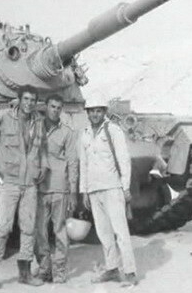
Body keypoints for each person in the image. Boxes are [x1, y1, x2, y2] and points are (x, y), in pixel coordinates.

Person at [0, 85, 48, 289]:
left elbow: (42, 146)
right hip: (9, 182)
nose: (29, 103)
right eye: (25, 99)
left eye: (32, 100)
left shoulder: (38, 120)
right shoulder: (3, 117)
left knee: (28, 228)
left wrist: (44, 164)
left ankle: (25, 272)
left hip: (30, 184)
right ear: (19, 100)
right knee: (3, 227)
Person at [78, 95, 137, 287]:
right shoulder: (85, 133)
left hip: (112, 188)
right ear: (87, 113)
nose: (95, 114)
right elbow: (84, 164)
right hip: (94, 189)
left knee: (120, 231)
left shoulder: (113, 130)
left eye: (98, 111)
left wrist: (125, 187)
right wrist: (84, 191)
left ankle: (129, 272)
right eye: (91, 111)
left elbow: (123, 159)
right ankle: (112, 268)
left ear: (104, 112)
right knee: (103, 232)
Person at [34, 94, 78, 283]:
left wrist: (73, 190)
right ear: (46, 106)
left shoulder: (67, 132)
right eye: (52, 106)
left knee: (59, 230)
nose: (55, 110)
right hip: (38, 186)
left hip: (60, 187)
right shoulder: (35, 128)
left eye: (59, 107)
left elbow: (72, 162)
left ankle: (59, 270)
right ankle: (45, 267)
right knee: (39, 230)